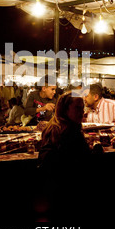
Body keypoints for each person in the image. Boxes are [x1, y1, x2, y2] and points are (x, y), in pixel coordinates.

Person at [37, 91, 91, 221]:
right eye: (77, 108)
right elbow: (82, 162)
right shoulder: (69, 132)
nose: (82, 112)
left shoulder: (53, 126)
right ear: (64, 110)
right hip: (67, 191)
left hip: (52, 190)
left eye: (82, 108)